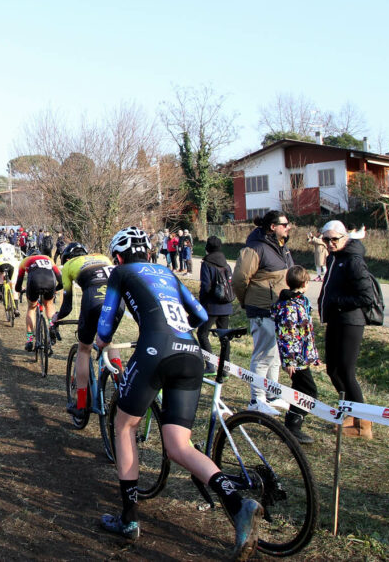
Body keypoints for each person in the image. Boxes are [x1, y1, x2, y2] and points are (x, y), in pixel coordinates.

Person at [95, 227, 262, 558]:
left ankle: (129, 519)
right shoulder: (168, 272)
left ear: (117, 256)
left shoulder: (121, 272)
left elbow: (105, 325)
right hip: (191, 353)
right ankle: (236, 502)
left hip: (156, 350)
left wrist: (101, 344)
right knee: (178, 445)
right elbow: (200, 315)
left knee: (125, 425)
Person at [232, 210, 294, 416]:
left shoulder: (282, 248)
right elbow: (240, 279)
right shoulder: (256, 248)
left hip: (278, 310)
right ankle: (256, 399)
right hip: (261, 309)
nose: (288, 227)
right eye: (284, 224)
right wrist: (246, 302)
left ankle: (273, 395)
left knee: (275, 355)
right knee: (263, 355)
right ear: (272, 227)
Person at [318, 219, 374, 439]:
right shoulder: (334, 258)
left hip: (351, 321)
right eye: (326, 239)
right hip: (335, 320)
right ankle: (349, 413)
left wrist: (338, 301)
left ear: (345, 238)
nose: (330, 243)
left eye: (334, 239)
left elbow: (366, 296)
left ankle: (364, 424)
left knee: (346, 372)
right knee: (332, 370)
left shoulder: (354, 260)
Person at [52, 242, 112, 420]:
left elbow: (67, 305)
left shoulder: (69, 265)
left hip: (93, 299)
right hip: (115, 300)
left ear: (67, 258)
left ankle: (81, 404)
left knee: (84, 349)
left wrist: (58, 317)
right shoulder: (102, 257)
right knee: (108, 341)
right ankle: (121, 387)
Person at [271, 266, 321, 445]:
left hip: (302, 355)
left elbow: (306, 331)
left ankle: (293, 424)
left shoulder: (301, 302)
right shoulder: (289, 306)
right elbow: (287, 335)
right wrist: (289, 360)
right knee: (309, 391)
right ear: (305, 283)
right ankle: (293, 425)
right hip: (295, 358)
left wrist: (312, 355)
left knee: (302, 389)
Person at [197, 236, 233, 374]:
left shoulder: (207, 264)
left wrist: (201, 304)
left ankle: (210, 365)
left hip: (211, 306)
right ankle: (226, 369)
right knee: (224, 337)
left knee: (202, 333)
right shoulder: (226, 264)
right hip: (226, 305)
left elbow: (205, 287)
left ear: (207, 248)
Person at [14, 251, 63, 352]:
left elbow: (18, 285)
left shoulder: (25, 261)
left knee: (31, 308)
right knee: (49, 304)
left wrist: (21, 290)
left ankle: (30, 340)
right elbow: (61, 281)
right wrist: (55, 290)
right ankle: (52, 326)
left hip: (34, 281)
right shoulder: (48, 258)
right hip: (50, 280)